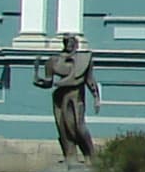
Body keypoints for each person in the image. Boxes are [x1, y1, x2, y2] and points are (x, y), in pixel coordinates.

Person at [34, 33, 99, 162]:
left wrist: (96, 98)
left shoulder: (83, 59)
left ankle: (90, 155)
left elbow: (90, 80)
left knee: (78, 127)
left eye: (71, 42)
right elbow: (48, 82)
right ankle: (70, 157)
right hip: (60, 97)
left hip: (76, 97)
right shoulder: (54, 61)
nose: (68, 45)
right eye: (66, 42)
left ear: (76, 44)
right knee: (63, 128)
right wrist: (36, 75)